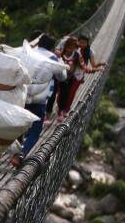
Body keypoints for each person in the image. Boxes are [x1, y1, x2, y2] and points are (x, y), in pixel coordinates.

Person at [9, 33, 66, 168]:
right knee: (35, 129)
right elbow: (63, 77)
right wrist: (60, 59)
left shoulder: (26, 53)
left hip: (20, 96)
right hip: (38, 101)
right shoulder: (53, 59)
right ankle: (21, 154)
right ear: (53, 47)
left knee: (18, 123)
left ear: (39, 43)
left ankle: (12, 147)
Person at [57, 33, 105, 120]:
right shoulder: (72, 48)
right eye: (80, 42)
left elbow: (91, 65)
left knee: (71, 93)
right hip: (67, 74)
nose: (82, 44)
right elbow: (61, 48)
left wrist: (98, 67)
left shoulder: (89, 52)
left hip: (78, 75)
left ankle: (65, 110)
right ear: (77, 42)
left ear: (87, 43)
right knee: (62, 92)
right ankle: (61, 108)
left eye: (84, 43)